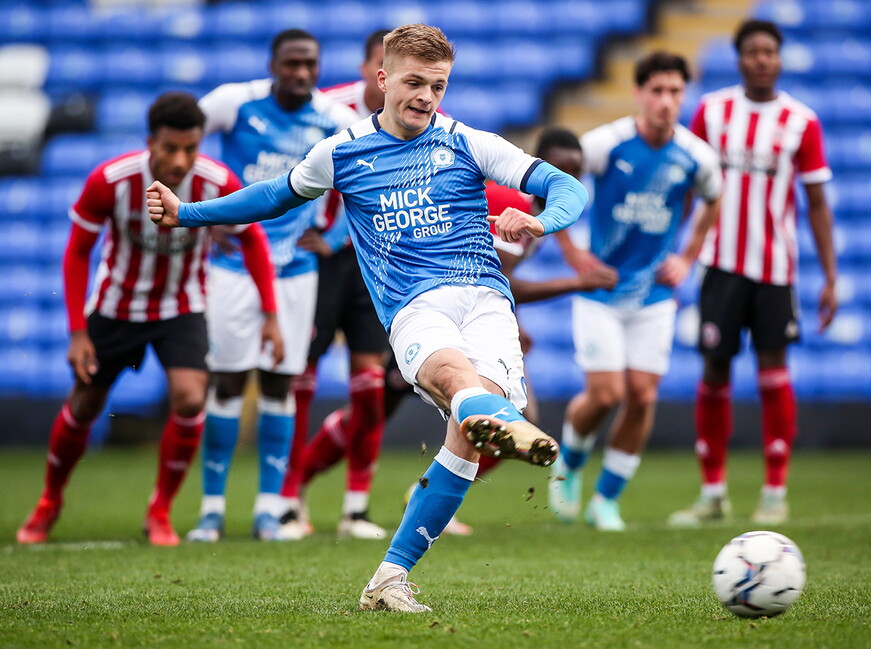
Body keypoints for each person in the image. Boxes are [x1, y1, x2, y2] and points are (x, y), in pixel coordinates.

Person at [146, 24, 587, 612]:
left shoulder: (469, 143)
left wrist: (539, 221)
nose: (426, 97)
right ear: (382, 80)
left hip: (487, 300)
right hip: (415, 305)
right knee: (459, 385)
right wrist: (188, 211)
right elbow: (273, 195)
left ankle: (387, 579)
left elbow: (565, 188)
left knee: (467, 442)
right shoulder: (343, 150)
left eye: (437, 85)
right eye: (413, 82)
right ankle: (496, 415)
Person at [292, 127, 618, 538]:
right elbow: (494, 279)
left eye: (575, 171)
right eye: (560, 168)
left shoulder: (534, 210)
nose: (566, 177)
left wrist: (517, 322)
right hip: (429, 309)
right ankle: (301, 487)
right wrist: (577, 284)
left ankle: (426, 489)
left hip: (454, 314)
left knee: (507, 418)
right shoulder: (515, 203)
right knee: (371, 413)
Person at [16, 92, 278, 547]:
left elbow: (252, 238)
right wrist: (77, 331)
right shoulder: (110, 180)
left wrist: (271, 313)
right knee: (84, 404)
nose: (180, 160)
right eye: (170, 149)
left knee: (191, 398)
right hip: (117, 308)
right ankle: (49, 502)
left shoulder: (216, 181)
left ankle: (159, 511)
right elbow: (78, 251)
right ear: (149, 142)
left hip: (182, 307)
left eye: (191, 149)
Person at [184, 29, 360, 543]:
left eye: (310, 64)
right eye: (291, 64)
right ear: (274, 64)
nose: (301, 73)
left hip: (297, 271)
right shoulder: (234, 103)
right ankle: (212, 510)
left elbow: (371, 183)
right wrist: (207, 206)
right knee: (228, 381)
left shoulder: (335, 121)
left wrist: (333, 235)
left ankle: (268, 509)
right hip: (233, 265)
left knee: (281, 383)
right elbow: (182, 139)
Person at [668, 19, 837, 527]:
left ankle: (774, 490)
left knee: (772, 371)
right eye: (753, 52)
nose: (762, 59)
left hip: (775, 268)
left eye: (770, 52)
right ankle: (713, 493)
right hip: (719, 263)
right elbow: (686, 185)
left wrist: (830, 275)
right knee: (714, 369)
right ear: (739, 58)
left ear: (779, 59)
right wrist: (672, 249)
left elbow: (817, 203)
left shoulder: (800, 121)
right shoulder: (713, 112)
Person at [547, 52, 723, 531]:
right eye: (657, 91)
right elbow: (554, 182)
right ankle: (570, 466)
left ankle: (607, 501)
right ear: (639, 94)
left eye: (675, 92)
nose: (666, 101)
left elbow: (713, 196)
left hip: (654, 295)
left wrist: (687, 256)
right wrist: (573, 255)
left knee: (642, 396)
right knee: (605, 394)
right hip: (601, 290)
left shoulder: (696, 155)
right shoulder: (607, 144)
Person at [279, 28, 394, 541]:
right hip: (322, 267)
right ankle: (287, 500)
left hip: (374, 265)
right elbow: (301, 174)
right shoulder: (331, 112)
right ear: (372, 66)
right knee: (300, 379)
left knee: (370, 389)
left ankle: (355, 509)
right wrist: (322, 233)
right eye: (382, 63)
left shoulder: (414, 118)